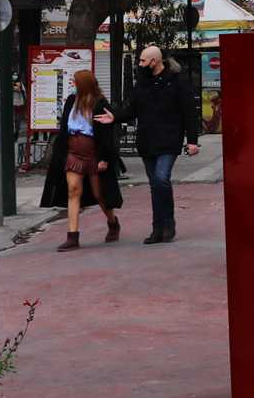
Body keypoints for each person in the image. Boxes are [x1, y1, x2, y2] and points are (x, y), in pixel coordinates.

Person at [124, 46, 202, 245]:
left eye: (142, 61)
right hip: (147, 141)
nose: (139, 64)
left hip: (169, 140)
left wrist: (192, 141)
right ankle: (157, 228)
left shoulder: (176, 82)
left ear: (154, 61)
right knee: (154, 185)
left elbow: (189, 113)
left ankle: (168, 224)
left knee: (161, 179)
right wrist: (113, 116)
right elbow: (131, 108)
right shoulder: (142, 83)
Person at [40, 68, 120, 251]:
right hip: (73, 151)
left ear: (83, 85)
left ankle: (112, 222)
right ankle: (72, 236)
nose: (73, 85)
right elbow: (64, 127)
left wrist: (104, 158)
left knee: (99, 194)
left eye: (76, 82)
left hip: (93, 151)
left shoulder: (100, 103)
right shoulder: (71, 101)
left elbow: (106, 133)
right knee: (73, 190)